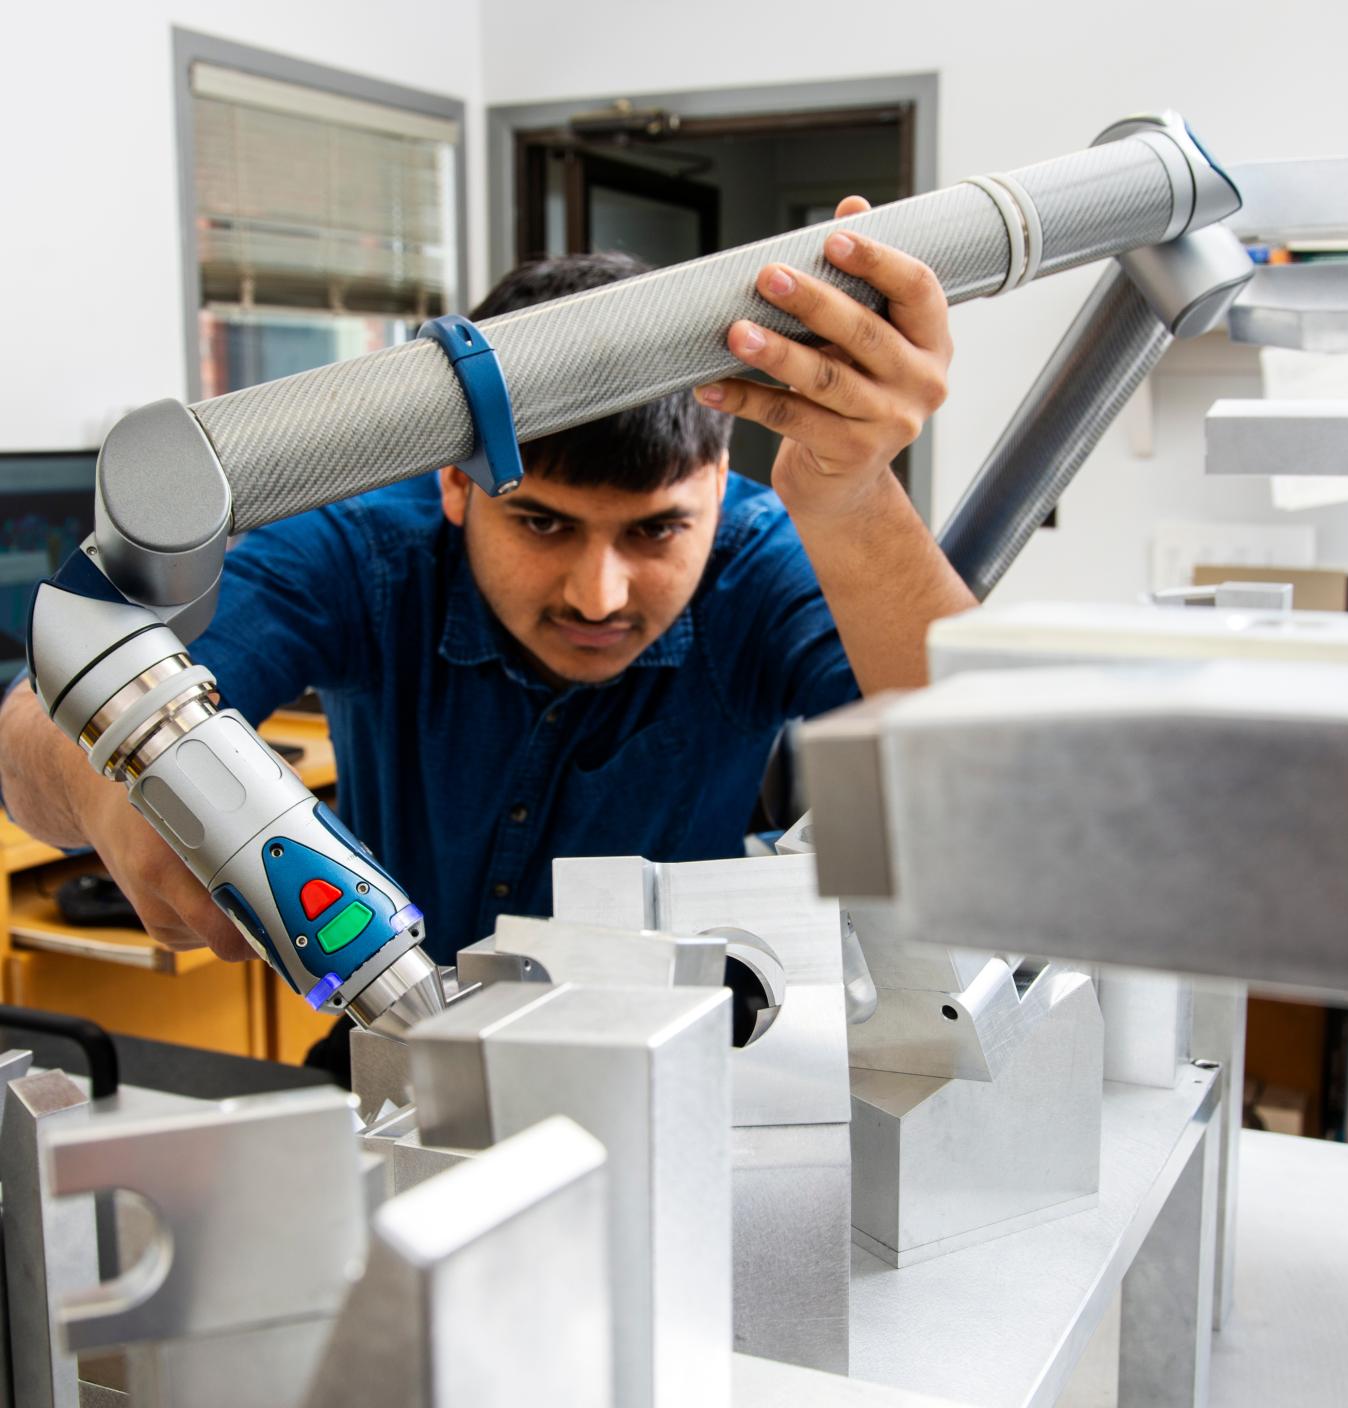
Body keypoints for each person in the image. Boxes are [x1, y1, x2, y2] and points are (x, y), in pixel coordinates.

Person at [0, 197, 975, 1063]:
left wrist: (849, 500)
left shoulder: (760, 558)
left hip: (682, 1059)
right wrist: (111, 796)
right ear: (456, 483)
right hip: (399, 1049)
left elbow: (984, 794)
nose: (599, 596)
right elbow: (38, 728)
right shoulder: (365, 549)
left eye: (655, 530)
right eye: (543, 523)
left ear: (719, 489)